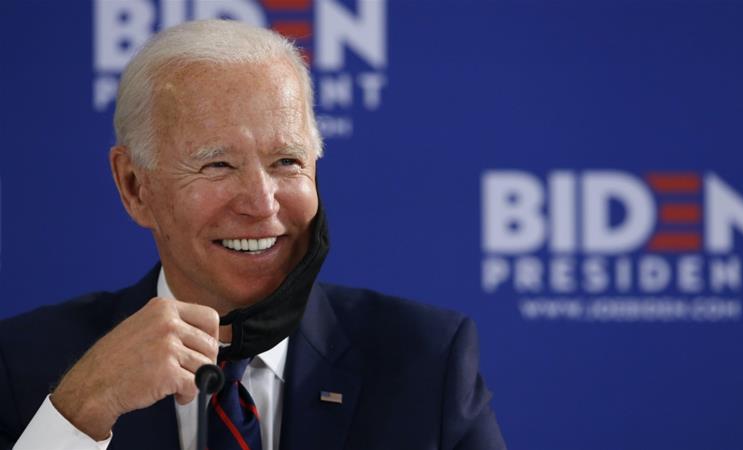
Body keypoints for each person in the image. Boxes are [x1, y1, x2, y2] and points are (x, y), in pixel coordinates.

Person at [0, 20, 505, 450]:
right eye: (218, 165)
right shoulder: (26, 365)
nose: (262, 204)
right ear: (136, 187)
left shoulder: (428, 362)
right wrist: (79, 415)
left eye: (286, 162)